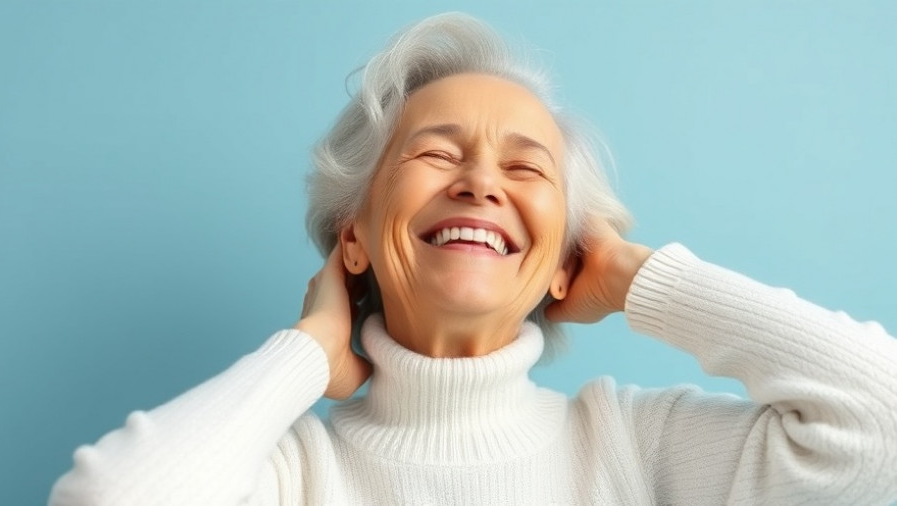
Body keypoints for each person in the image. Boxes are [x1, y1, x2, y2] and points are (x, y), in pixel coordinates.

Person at [49, 13, 897, 505]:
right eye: (435, 154)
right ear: (354, 235)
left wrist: (643, 281)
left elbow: (882, 427)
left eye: (526, 168)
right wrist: (307, 352)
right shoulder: (296, 474)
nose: (481, 183)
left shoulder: (635, 447)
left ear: (567, 262)